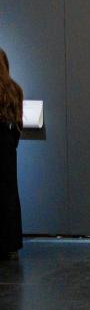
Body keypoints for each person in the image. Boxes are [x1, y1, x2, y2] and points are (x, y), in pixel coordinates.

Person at [0, 48, 24, 262]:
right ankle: (11, 243)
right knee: (9, 193)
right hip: (7, 147)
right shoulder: (15, 89)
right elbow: (18, 123)